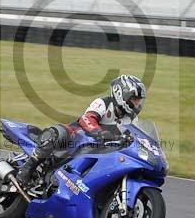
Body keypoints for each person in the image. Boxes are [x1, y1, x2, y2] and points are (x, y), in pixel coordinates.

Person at [16, 74, 147, 186]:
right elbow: (87, 119)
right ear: (121, 95)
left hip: (99, 151)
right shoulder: (104, 103)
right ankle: (27, 169)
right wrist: (99, 132)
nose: (137, 104)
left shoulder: (132, 120)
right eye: (135, 99)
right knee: (59, 133)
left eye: (139, 101)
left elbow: (135, 138)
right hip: (76, 139)